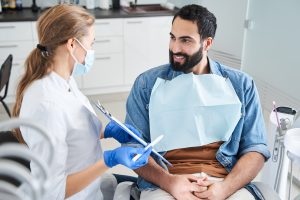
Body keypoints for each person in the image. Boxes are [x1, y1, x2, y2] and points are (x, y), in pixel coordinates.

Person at [124, 4, 271, 200]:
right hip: (167, 182)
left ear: (207, 43)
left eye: (185, 40)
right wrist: (169, 182)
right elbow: (134, 147)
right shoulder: (146, 84)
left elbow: (256, 149)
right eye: (172, 37)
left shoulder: (241, 85)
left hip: (223, 181)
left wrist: (224, 189)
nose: (175, 48)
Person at [12, 4, 151, 200]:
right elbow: (54, 192)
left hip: (91, 189)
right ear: (71, 44)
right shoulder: (47, 105)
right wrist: (109, 160)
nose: (92, 50)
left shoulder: (64, 80)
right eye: (91, 44)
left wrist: (108, 131)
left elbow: (71, 132)